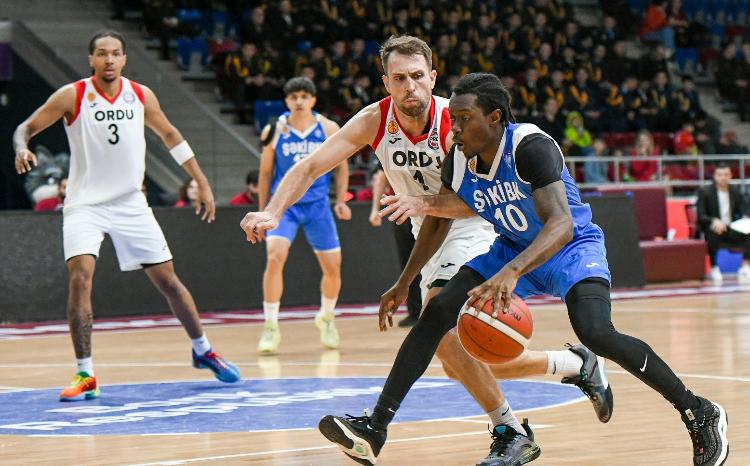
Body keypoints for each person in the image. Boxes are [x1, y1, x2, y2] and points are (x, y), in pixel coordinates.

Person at [316, 73, 728, 466]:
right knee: (436, 312)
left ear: (494, 117)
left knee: (595, 332)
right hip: (513, 247)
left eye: (463, 119)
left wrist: (511, 272)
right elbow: (438, 221)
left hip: (570, 248)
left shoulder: (530, 146)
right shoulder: (457, 159)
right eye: (452, 119)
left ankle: (699, 411)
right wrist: (405, 281)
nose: (453, 129)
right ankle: (376, 428)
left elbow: (561, 225)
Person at [241, 36, 613, 466]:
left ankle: (507, 430)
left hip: (475, 228)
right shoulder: (374, 120)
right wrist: (272, 211)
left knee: (443, 323)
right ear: (386, 83)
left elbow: (476, 200)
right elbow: (309, 167)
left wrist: (422, 206)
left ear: (432, 78)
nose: (409, 86)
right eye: (399, 78)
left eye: (417, 76)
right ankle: (572, 365)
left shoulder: (455, 122)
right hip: (429, 233)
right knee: (462, 356)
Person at [13, 30, 240, 402]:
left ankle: (203, 350)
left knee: (169, 282)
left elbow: (171, 135)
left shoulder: (140, 95)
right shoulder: (73, 95)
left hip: (131, 203)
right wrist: (22, 147)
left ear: (124, 59)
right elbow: (25, 127)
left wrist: (201, 181)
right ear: (91, 59)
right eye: (102, 53)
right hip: (85, 204)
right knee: (80, 277)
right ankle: (85, 372)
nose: (109, 59)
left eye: (115, 53)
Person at [255, 76, 352, 354]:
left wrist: (341, 199)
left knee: (333, 267)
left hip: (318, 205)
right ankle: (270, 326)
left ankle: (327, 317)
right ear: (286, 101)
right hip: (284, 206)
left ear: (313, 100)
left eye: (304, 96)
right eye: (293, 97)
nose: (299, 101)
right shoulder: (275, 129)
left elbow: (341, 167)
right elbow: (265, 173)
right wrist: (263, 211)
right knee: (275, 256)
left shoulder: (328, 127)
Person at [369, 167, 421, 328]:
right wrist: (375, 210)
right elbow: (380, 177)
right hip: (403, 209)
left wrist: (375, 210)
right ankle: (416, 311)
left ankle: (420, 311)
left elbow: (380, 178)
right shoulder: (391, 153)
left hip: (425, 206)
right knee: (409, 261)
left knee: (423, 260)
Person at [696, 163, 750, 285]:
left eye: (726, 174)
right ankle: (714, 267)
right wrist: (713, 220)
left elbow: (744, 208)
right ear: (715, 176)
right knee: (713, 232)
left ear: (730, 176)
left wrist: (746, 217)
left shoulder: (735, 191)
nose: (723, 177)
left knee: (749, 231)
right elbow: (701, 215)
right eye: (720, 175)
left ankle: (745, 265)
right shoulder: (705, 191)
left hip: (731, 227)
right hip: (713, 227)